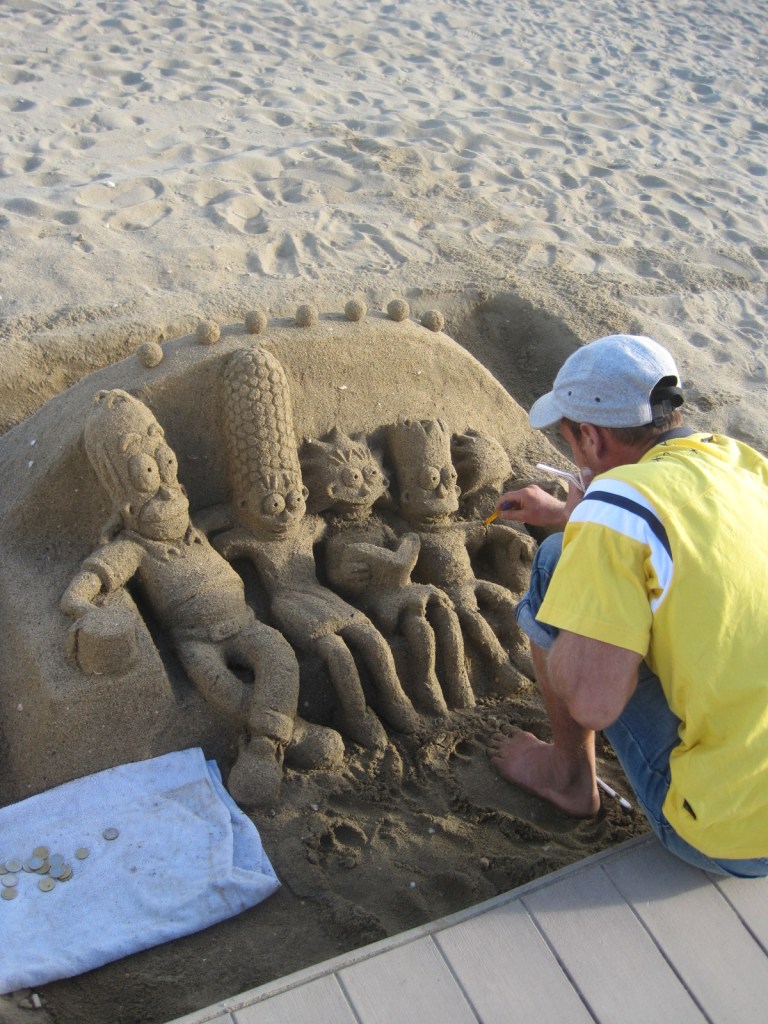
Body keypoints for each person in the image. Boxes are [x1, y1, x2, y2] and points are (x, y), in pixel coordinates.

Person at [487, 334, 768, 877]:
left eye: (568, 439)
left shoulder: (613, 507)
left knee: (552, 564)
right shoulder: (742, 463)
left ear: (590, 437)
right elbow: (697, 540)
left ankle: (568, 776)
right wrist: (581, 517)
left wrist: (587, 550)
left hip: (736, 838)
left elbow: (594, 702)